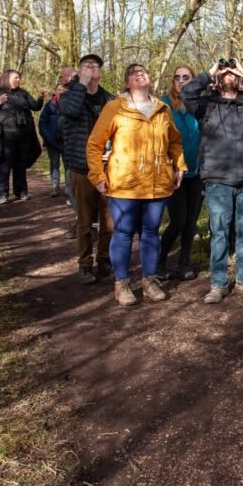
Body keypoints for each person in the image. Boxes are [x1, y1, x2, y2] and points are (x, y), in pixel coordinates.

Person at [86, 63, 185, 306]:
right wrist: (97, 175)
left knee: (151, 232)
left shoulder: (162, 109)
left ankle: (150, 281)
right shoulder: (115, 108)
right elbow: (95, 144)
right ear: (127, 82)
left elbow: (174, 141)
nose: (139, 73)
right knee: (123, 232)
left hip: (157, 183)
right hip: (125, 183)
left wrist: (180, 166)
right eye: (133, 72)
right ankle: (122, 284)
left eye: (143, 71)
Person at [182, 58, 243, 304]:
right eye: (225, 73)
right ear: (217, 81)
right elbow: (187, 92)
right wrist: (211, 71)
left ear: (240, 80)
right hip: (217, 179)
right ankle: (218, 284)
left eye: (233, 74)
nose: (229, 75)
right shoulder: (206, 105)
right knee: (219, 233)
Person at [59, 54, 115, 284]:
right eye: (86, 64)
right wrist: (81, 83)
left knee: (109, 220)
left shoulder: (109, 99)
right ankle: (84, 264)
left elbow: (118, 130)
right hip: (82, 167)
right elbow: (71, 111)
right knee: (85, 220)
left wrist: (114, 150)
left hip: (108, 167)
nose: (91, 67)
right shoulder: (67, 95)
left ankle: (104, 259)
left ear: (101, 72)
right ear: (79, 70)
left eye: (95, 65)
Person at [156, 65, 202, 281]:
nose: (181, 81)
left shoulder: (200, 104)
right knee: (178, 221)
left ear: (194, 80)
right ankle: (159, 261)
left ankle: (184, 263)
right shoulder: (163, 104)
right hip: (173, 172)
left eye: (186, 77)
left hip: (198, 171)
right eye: (177, 77)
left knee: (191, 221)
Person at [0, 70, 44, 203]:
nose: (18, 80)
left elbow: (35, 107)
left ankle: (21, 192)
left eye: (19, 78)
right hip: (4, 136)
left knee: (20, 165)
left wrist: (40, 98)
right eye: (16, 77)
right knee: (4, 165)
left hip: (23, 135)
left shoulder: (23, 93)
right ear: (7, 78)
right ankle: (3, 194)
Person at [38, 66, 78, 200]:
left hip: (67, 141)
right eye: (59, 90)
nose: (61, 92)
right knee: (54, 164)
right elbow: (42, 122)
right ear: (56, 92)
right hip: (52, 141)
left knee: (68, 166)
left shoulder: (71, 105)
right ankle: (55, 186)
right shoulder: (50, 105)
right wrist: (47, 137)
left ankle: (68, 188)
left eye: (63, 90)